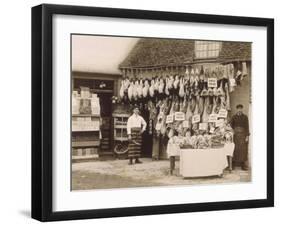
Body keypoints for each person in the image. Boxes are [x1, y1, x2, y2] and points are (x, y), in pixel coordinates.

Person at [230, 104, 250, 170]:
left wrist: (247, 136)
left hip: (243, 135)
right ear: (237, 109)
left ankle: (243, 165)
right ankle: (233, 164)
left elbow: (247, 127)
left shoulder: (245, 117)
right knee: (234, 149)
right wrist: (232, 133)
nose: (239, 110)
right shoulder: (234, 117)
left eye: (241, 108)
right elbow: (231, 126)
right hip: (235, 136)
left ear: (242, 109)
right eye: (238, 108)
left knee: (243, 150)